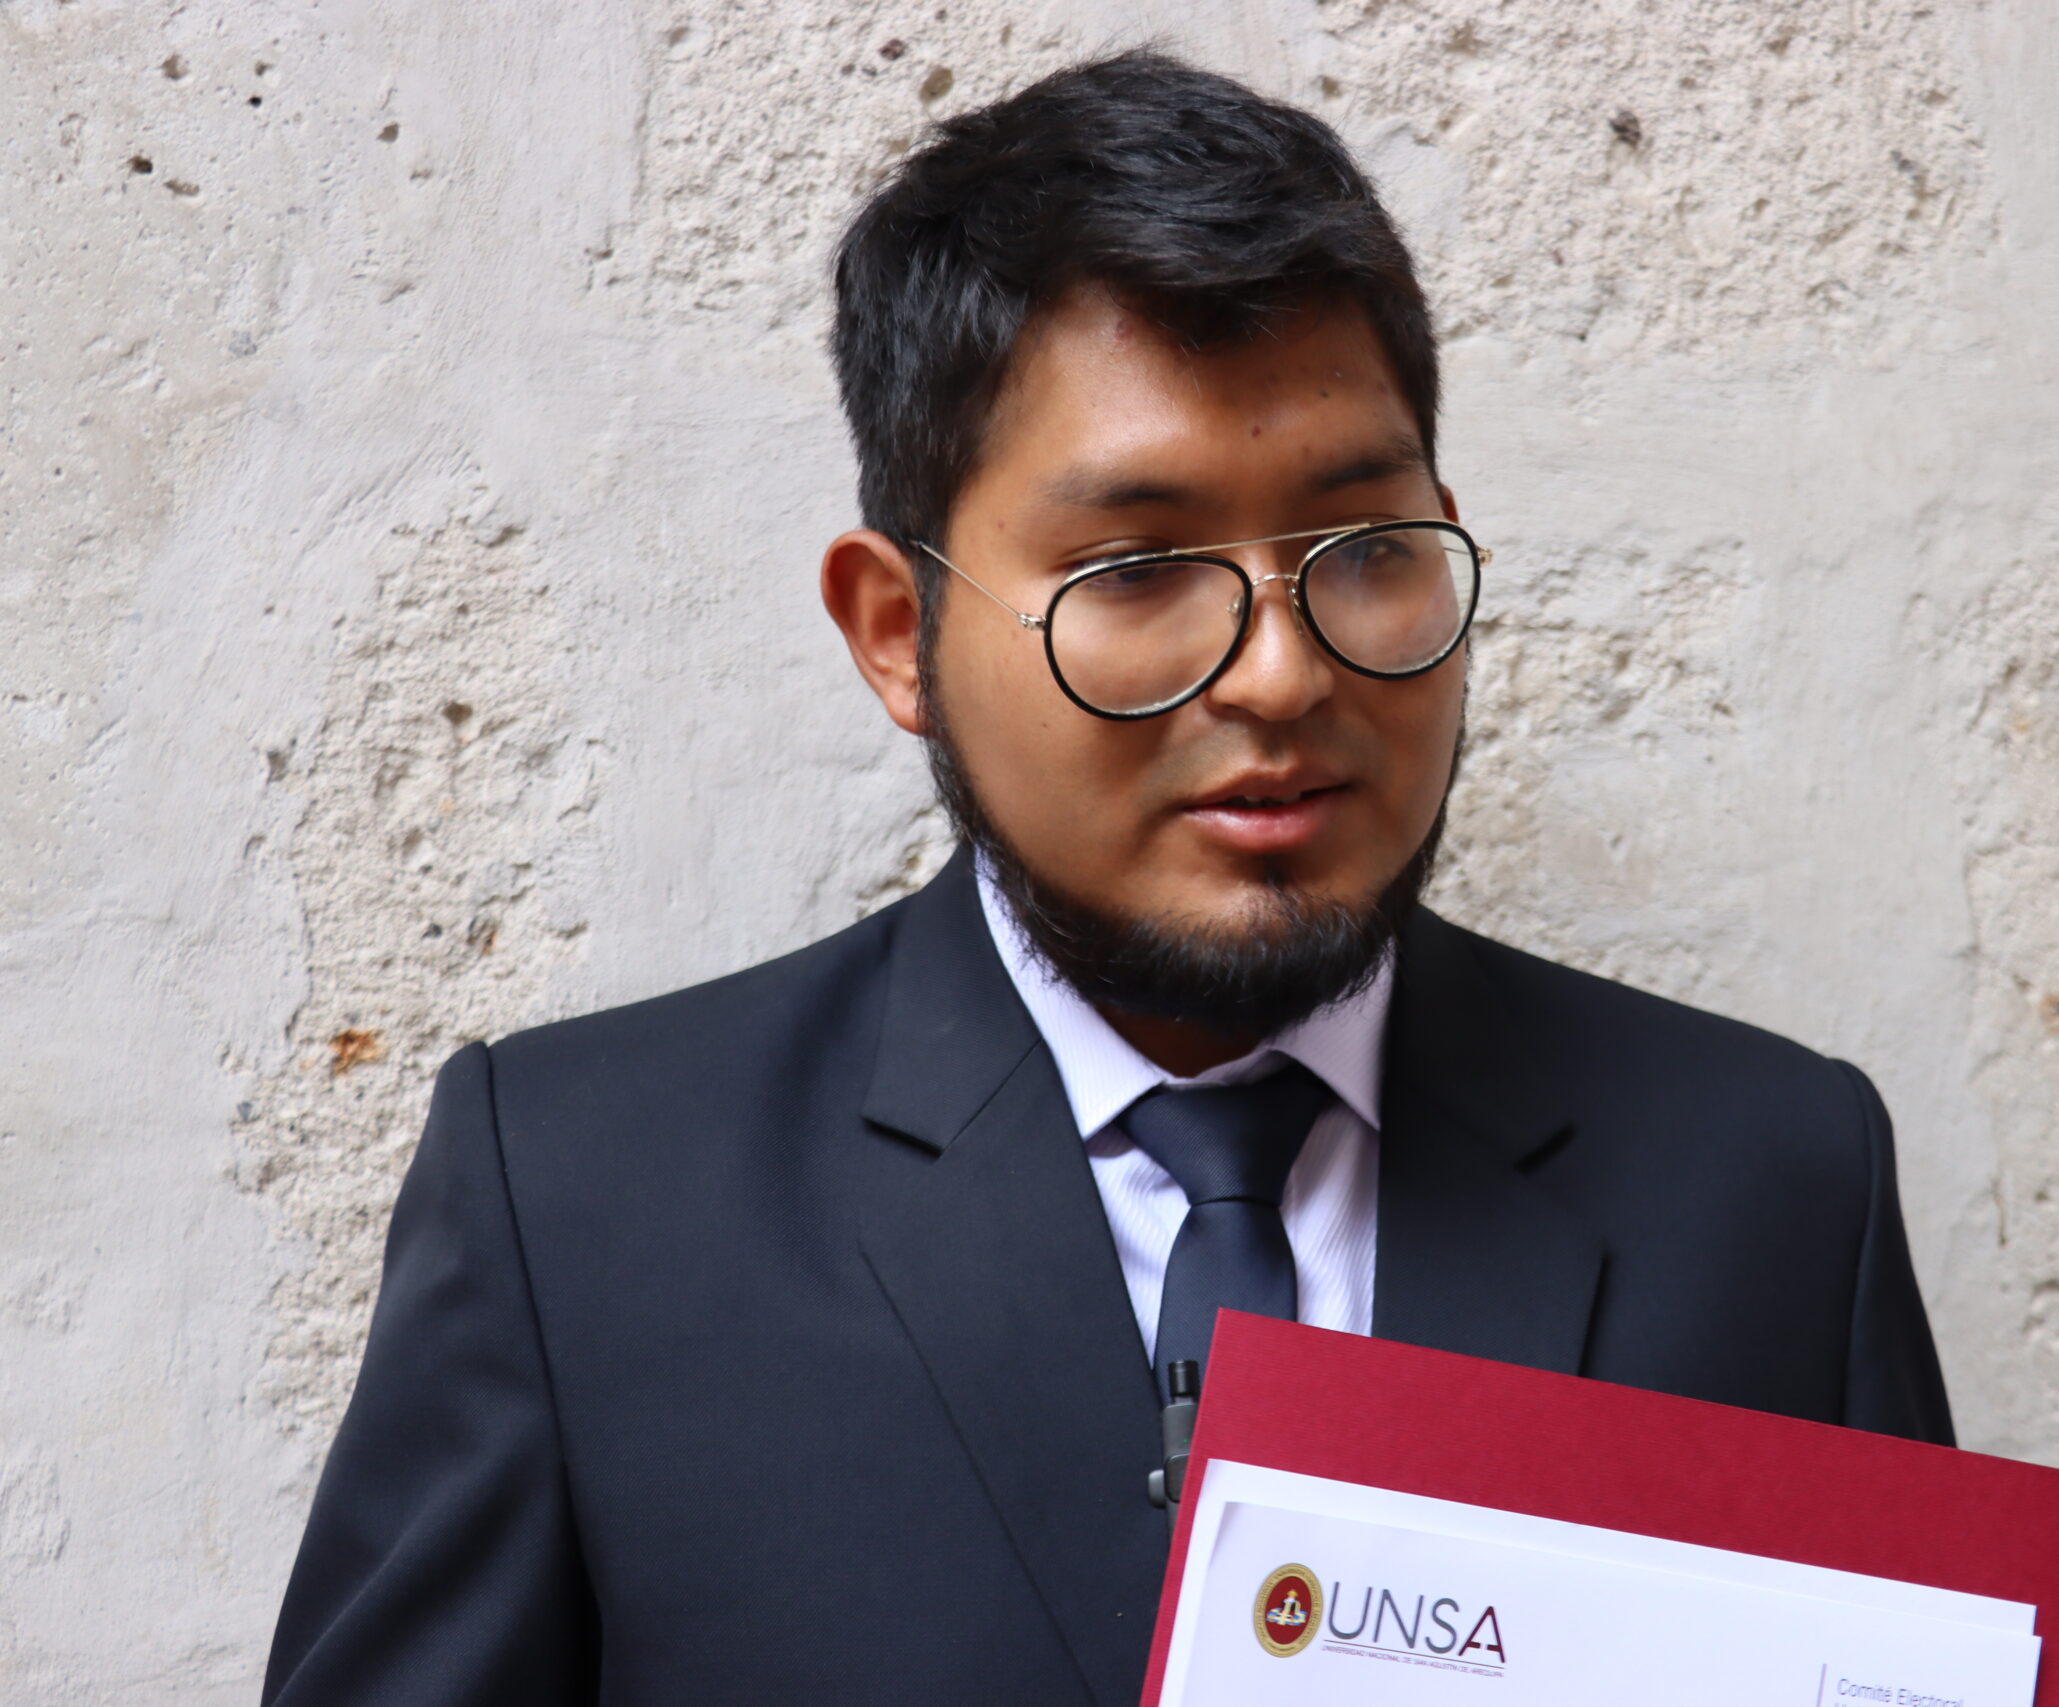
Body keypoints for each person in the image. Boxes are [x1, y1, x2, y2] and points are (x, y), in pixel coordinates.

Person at [263, 49, 1953, 1707]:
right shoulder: (585, 1203)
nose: (1282, 675)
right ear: (897, 631)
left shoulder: (1770, 1183)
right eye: (1137, 570)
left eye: (1367, 548)